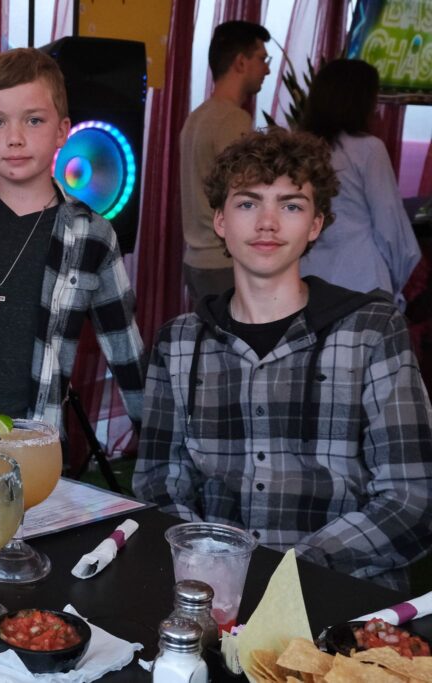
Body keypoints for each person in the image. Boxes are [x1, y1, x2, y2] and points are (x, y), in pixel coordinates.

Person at [134, 127, 432, 591]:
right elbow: (158, 483)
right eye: (248, 204)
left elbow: (411, 497)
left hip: (341, 593)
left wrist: (292, 570)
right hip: (214, 593)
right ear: (220, 221)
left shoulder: (372, 331)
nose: (267, 223)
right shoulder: (179, 342)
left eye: (291, 206)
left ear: (315, 225)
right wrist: (214, 563)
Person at [0, 47, 145, 449]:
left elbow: (127, 353)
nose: (14, 138)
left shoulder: (92, 235)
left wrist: (161, 454)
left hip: (36, 451)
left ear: (63, 131)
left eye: (33, 120)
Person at [299, 59, 420, 311]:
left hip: (308, 278)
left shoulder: (299, 149)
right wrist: (395, 284)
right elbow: (390, 226)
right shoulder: (369, 149)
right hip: (363, 278)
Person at [180, 21, 271, 306]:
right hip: (222, 262)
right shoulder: (233, 119)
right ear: (241, 62)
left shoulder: (197, 117)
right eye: (262, 59)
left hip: (196, 260)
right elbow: (247, 192)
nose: (267, 70)